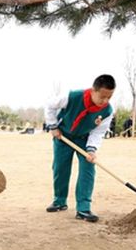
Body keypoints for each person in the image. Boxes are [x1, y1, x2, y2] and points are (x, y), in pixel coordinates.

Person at [44, 74, 115, 223]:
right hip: (62, 135)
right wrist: (53, 126)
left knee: (88, 169)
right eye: (102, 97)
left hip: (85, 138)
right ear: (93, 91)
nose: (105, 101)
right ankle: (59, 201)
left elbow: (98, 132)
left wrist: (91, 149)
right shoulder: (72, 96)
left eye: (109, 97)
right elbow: (50, 106)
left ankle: (83, 208)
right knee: (60, 168)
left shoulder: (107, 111)